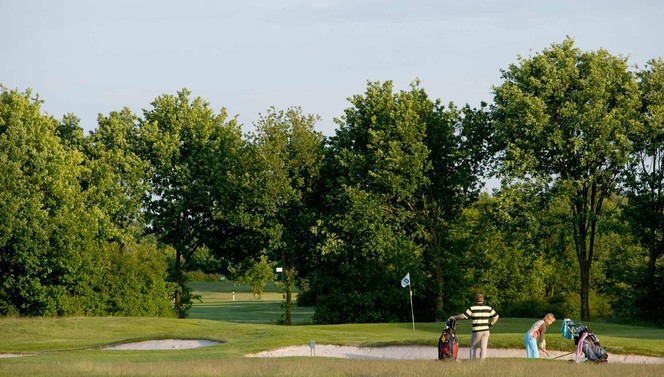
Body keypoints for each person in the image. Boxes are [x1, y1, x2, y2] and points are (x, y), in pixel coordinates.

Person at [448, 293, 499, 360]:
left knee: (473, 347)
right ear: (483, 300)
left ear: (475, 300)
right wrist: (490, 325)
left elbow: (464, 316)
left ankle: (473, 363)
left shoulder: (472, 308)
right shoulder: (488, 308)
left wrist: (454, 317)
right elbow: (496, 316)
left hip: (477, 331)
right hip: (486, 330)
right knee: (483, 348)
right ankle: (482, 364)